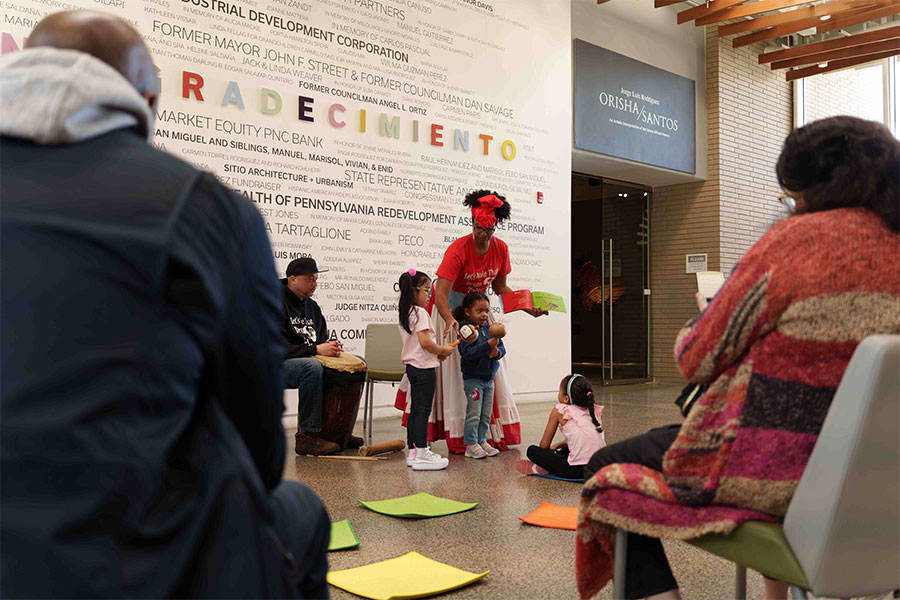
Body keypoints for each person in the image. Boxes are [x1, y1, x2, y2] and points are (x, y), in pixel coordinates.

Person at [0, 11, 329, 598]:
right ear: (148, 101)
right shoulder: (207, 209)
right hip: (127, 557)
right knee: (301, 510)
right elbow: (257, 450)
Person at [576, 115, 900, 600]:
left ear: (811, 186)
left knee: (605, 467)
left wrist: (705, 316)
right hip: (882, 484)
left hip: (776, 469)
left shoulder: (795, 242)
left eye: (792, 194)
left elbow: (695, 358)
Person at [397, 190, 547, 453]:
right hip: (450, 311)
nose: (482, 234)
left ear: (495, 227)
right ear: (472, 223)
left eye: (488, 229)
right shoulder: (458, 249)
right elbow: (441, 294)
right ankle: (458, 436)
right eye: (478, 228)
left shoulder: (501, 249)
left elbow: (500, 287)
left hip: (478, 308)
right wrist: (451, 320)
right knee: (456, 373)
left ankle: (482, 434)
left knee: (490, 364)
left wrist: (527, 307)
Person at [281, 256, 363, 456]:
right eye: (310, 279)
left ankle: (339, 432)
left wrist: (330, 346)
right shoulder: (273, 302)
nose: (315, 284)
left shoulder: (312, 307)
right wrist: (315, 350)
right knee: (312, 368)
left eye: (316, 279)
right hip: (277, 364)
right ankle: (307, 436)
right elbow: (276, 347)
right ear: (292, 279)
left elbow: (320, 340)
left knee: (359, 363)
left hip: (308, 358)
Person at [397, 269, 454, 470]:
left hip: (413, 367)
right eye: (427, 290)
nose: (429, 295)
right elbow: (424, 342)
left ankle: (414, 452)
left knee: (415, 411)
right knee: (422, 411)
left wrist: (436, 354)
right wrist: (442, 350)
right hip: (424, 369)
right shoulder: (420, 312)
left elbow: (418, 345)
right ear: (415, 291)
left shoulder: (406, 312)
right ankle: (422, 452)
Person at [515, 374, 605, 479]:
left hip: (576, 471)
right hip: (599, 466)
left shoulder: (560, 410)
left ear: (566, 399)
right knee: (565, 449)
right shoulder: (593, 410)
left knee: (532, 451)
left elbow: (544, 446)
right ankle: (547, 466)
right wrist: (557, 445)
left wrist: (551, 449)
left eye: (559, 391)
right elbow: (584, 439)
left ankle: (543, 467)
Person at [453, 292, 506, 458]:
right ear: (467, 311)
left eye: (486, 311)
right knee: (474, 414)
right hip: (473, 380)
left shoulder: (489, 328)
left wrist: (496, 352)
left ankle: (482, 441)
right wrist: (487, 346)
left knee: (485, 414)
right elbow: (467, 353)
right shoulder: (466, 330)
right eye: (479, 311)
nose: (484, 314)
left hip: (489, 380)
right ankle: (470, 444)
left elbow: (502, 349)